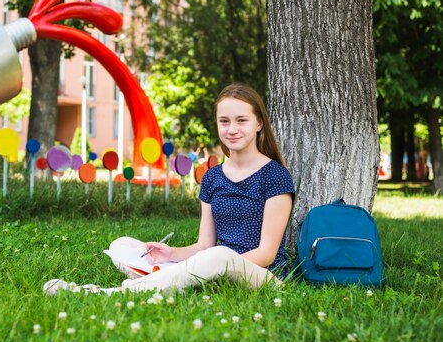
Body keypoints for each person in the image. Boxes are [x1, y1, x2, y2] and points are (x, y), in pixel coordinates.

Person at [44, 83, 295, 295]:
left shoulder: (275, 176)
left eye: (242, 121)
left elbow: (266, 254)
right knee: (123, 244)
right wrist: (171, 254)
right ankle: (168, 275)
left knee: (219, 256)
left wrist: (215, 265)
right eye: (224, 121)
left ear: (259, 123)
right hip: (212, 262)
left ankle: (108, 292)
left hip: (264, 276)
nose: (232, 129)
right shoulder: (212, 177)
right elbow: (204, 245)